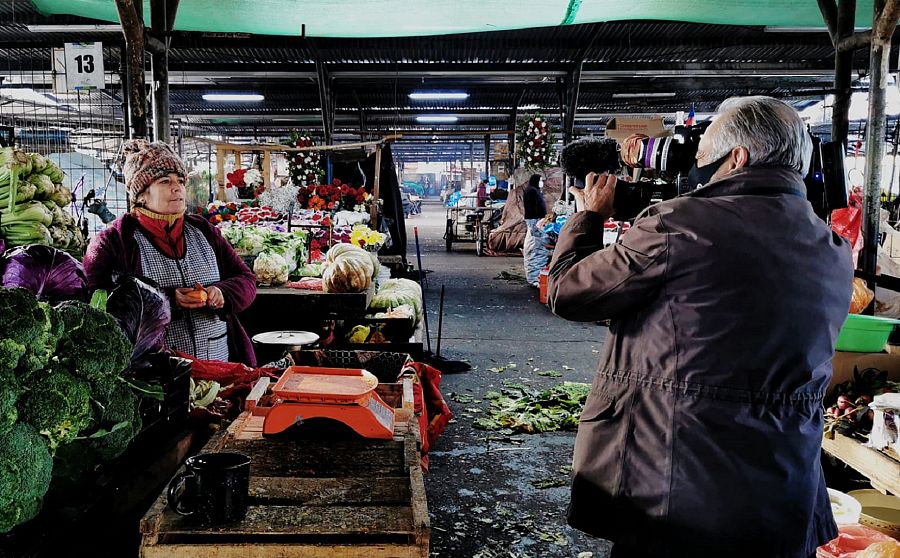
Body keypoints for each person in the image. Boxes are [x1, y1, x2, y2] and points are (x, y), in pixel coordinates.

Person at [548, 96, 852, 558]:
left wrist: (588, 216)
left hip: (676, 486)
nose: (694, 167)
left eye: (703, 154)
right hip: (782, 488)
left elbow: (569, 291)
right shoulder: (830, 245)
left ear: (738, 157)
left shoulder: (679, 224)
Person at [84, 140, 258, 366]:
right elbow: (95, 305)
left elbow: (246, 280)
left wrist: (222, 293)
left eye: (180, 181)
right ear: (141, 195)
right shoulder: (113, 241)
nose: (177, 188)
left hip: (220, 367)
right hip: (154, 376)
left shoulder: (203, 231)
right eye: (165, 181)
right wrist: (167, 300)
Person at [523, 173, 548, 287]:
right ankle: (535, 278)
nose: (542, 182)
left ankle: (536, 277)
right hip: (534, 220)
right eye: (540, 180)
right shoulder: (531, 191)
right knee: (536, 248)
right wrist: (537, 221)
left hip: (536, 220)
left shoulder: (533, 190)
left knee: (536, 247)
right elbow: (531, 207)